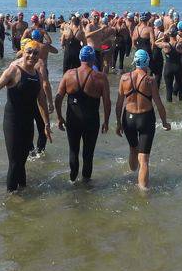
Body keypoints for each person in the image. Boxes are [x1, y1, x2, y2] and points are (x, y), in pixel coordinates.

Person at [0, 40, 52, 191]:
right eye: (29, 52)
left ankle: (22, 190)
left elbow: (41, 100)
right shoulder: (14, 70)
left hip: (28, 123)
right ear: (23, 52)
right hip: (13, 122)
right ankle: (11, 196)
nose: (32, 56)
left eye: (35, 53)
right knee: (14, 162)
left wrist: (46, 124)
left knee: (22, 161)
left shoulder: (37, 74)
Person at [115, 50, 171, 189]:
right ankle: (143, 192)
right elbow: (159, 104)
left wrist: (118, 123)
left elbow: (119, 103)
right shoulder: (150, 80)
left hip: (128, 118)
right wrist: (164, 122)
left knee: (133, 149)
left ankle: (133, 173)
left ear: (135, 61)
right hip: (145, 118)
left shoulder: (124, 78)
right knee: (144, 159)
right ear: (147, 62)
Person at [55, 46, 111, 182]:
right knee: (88, 154)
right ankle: (86, 184)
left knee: (73, 151)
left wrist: (59, 117)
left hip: (73, 120)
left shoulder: (69, 74)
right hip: (92, 121)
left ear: (80, 58)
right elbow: (107, 102)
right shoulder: (101, 77)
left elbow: (58, 98)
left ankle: (72, 182)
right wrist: (106, 121)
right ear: (93, 59)